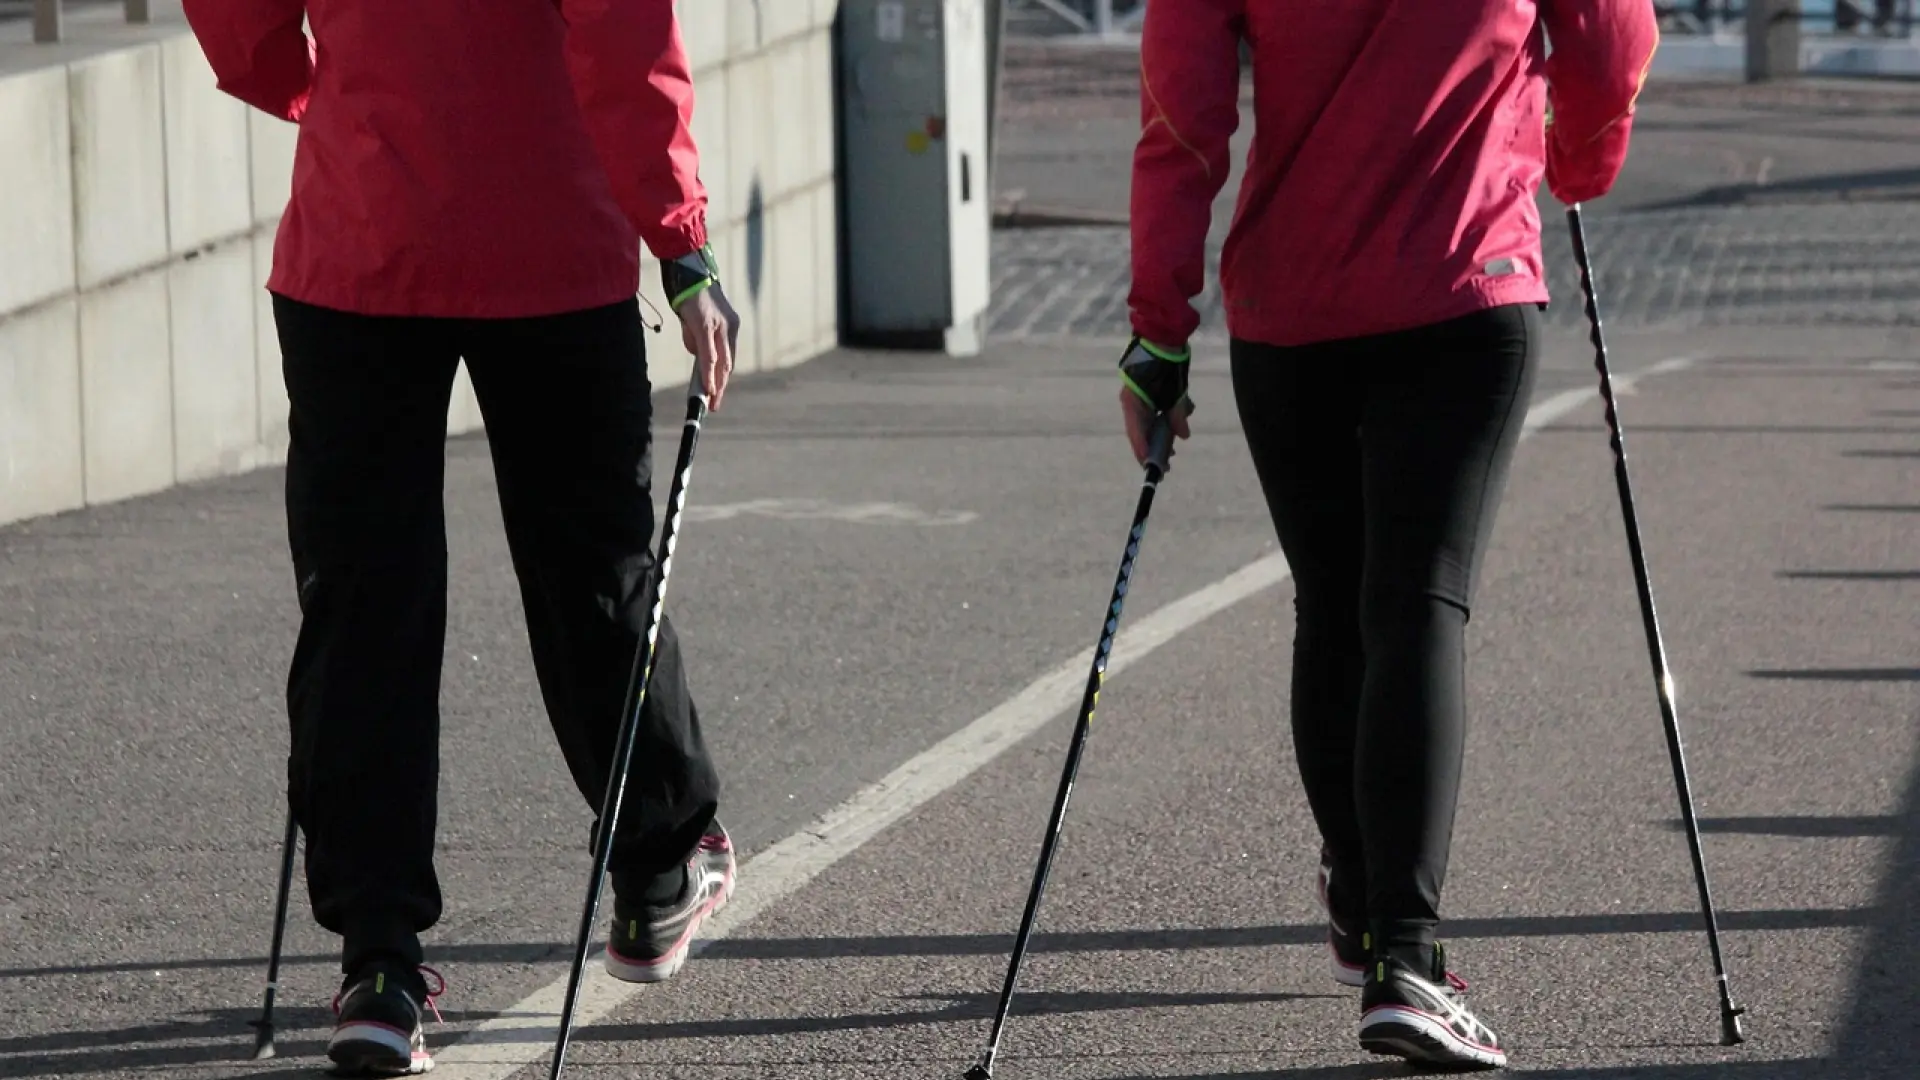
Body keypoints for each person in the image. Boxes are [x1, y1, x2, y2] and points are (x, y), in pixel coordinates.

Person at [180, 0, 743, 1072]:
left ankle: (379, 961)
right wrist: (682, 245)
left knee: (362, 611)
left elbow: (239, 19)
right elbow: (626, 35)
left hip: (361, 227)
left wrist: (301, 82)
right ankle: (661, 853)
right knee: (592, 573)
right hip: (548, 237)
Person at [1117, 0, 1657, 1068]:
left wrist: (1156, 327)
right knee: (1415, 601)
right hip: (1466, 284)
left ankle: (1368, 904)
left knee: (1337, 604)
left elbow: (1182, 110)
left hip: (1292, 304)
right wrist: (1581, 160)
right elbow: (1611, 41)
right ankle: (1405, 957)